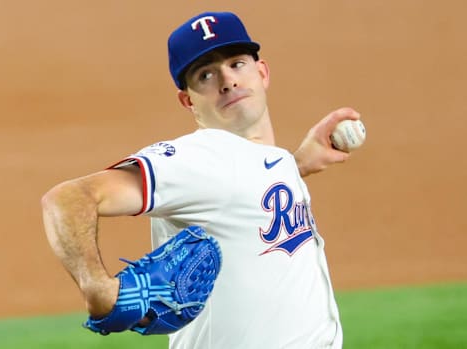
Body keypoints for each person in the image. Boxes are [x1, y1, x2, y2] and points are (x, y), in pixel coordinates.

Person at [42, 11, 360, 348]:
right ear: (187, 100)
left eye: (237, 64)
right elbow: (67, 198)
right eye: (206, 74)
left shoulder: (272, 162)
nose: (227, 80)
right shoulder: (198, 156)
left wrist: (294, 166)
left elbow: (240, 194)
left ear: (262, 72)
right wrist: (97, 288)